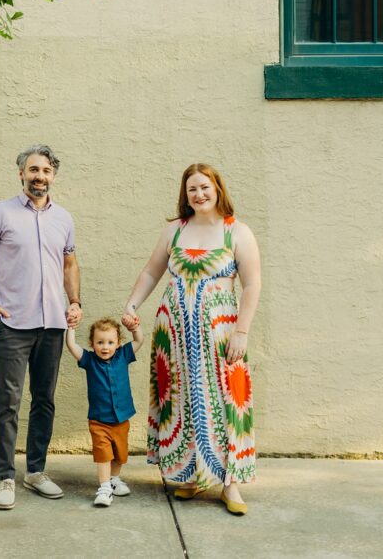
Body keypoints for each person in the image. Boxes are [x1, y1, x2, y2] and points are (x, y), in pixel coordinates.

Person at [121, 163, 261, 516]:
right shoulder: (175, 231)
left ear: (217, 189)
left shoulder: (237, 232)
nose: (198, 194)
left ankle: (231, 485)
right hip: (176, 336)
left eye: (204, 187)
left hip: (220, 335)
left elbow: (252, 284)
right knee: (182, 401)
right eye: (191, 189)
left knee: (226, 402)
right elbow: (153, 270)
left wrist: (242, 331)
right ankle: (190, 475)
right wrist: (132, 304)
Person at [0, 144, 83, 510]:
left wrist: (75, 302)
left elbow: (69, 265)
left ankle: (35, 472)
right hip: (13, 324)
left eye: (46, 171)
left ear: (53, 176)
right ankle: (5, 477)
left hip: (52, 323)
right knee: (9, 402)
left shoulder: (63, 218)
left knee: (44, 401)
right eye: (33, 170)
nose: (39, 176)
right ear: (21, 173)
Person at [64, 316, 145, 507]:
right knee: (103, 455)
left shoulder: (123, 355)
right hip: (99, 421)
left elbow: (139, 340)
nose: (105, 347)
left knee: (120, 455)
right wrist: (71, 328)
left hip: (121, 419)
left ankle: (114, 479)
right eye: (100, 342)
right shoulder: (90, 360)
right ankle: (104, 488)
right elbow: (71, 346)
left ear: (118, 343)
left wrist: (135, 327)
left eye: (110, 342)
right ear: (92, 343)